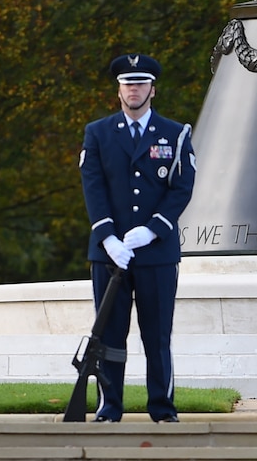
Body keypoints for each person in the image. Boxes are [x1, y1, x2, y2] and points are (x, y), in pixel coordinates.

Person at [78, 54, 195, 423]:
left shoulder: (175, 134)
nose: (134, 89)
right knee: (110, 335)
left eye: (141, 83)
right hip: (110, 253)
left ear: (153, 89)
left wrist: (152, 229)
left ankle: (162, 407)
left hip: (156, 253)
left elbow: (181, 188)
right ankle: (109, 406)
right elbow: (93, 187)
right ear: (119, 90)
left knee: (157, 335)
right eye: (128, 83)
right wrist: (108, 237)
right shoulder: (97, 133)